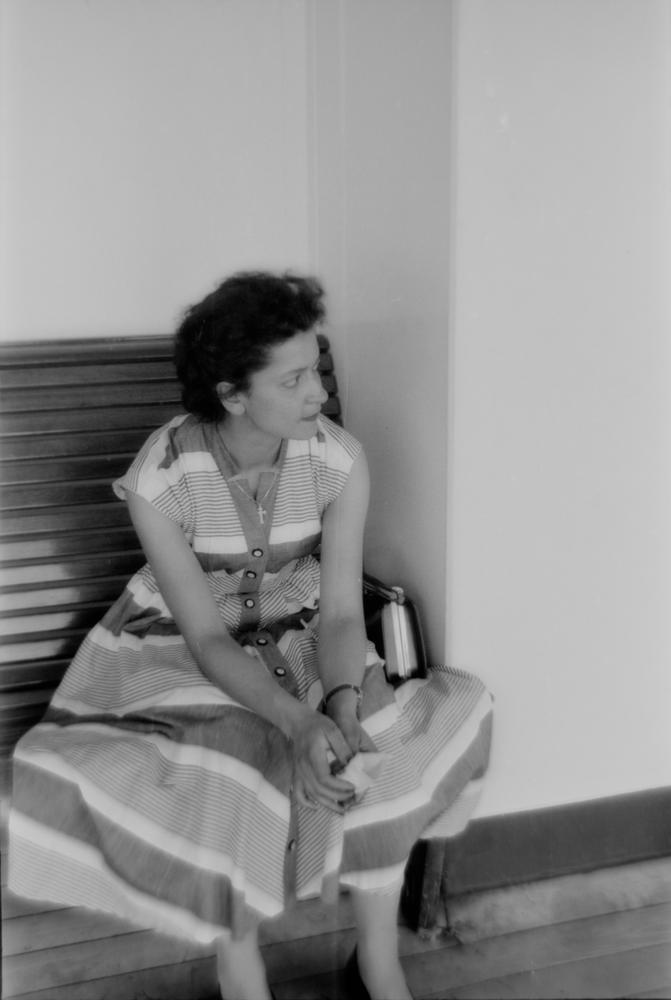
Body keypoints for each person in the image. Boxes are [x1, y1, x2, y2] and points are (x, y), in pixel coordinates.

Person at [8, 271, 492, 1000]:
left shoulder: (339, 460)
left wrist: (338, 703)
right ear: (233, 395)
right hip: (180, 645)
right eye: (293, 380)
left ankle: (376, 963)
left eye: (315, 369)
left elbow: (339, 614)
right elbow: (206, 640)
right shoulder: (162, 477)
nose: (317, 393)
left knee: (378, 741)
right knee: (229, 763)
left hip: (302, 629)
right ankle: (239, 969)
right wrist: (294, 721)